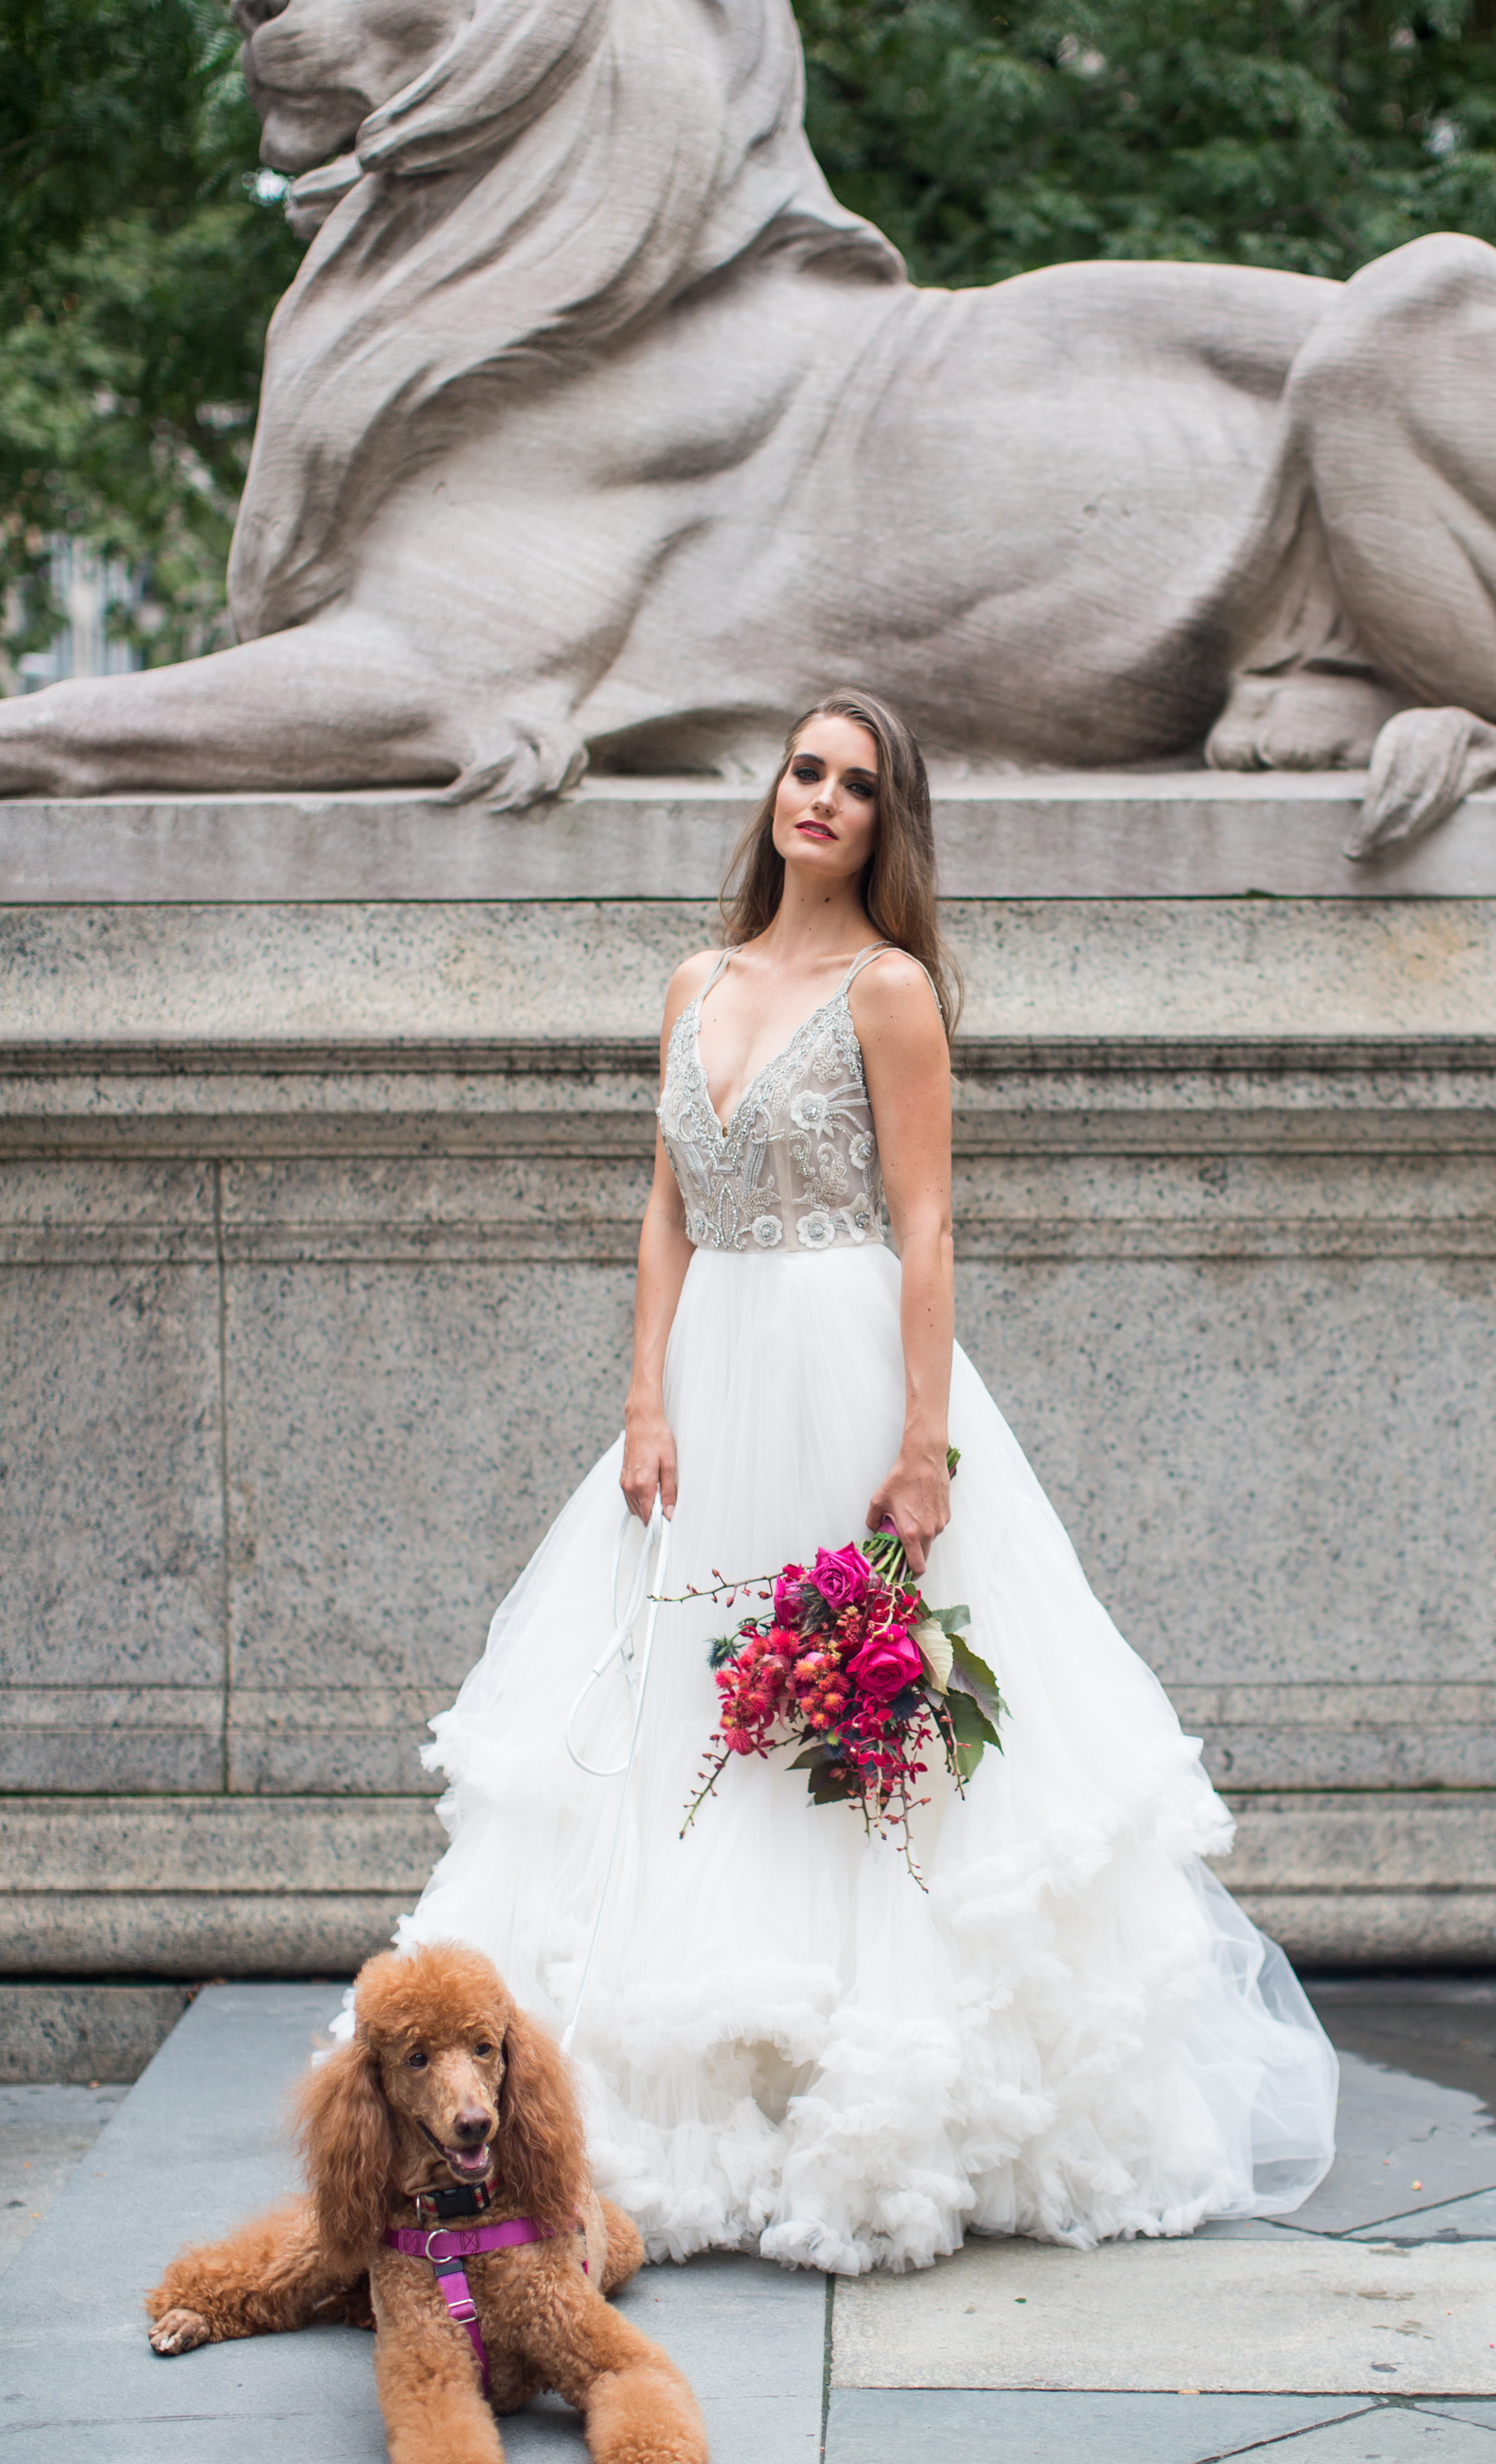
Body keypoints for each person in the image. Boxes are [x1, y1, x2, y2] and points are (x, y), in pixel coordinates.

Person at [396, 691, 1337, 2272]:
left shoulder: (891, 993)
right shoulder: (698, 980)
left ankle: (871, 2087)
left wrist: (917, 1443)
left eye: (856, 783)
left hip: (845, 1379)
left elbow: (927, 1225)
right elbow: (664, 1213)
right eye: (804, 771)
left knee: (855, 1730)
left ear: (887, 823)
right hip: (709, 1385)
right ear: (773, 794)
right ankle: (684, 2093)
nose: (821, 798)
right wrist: (643, 1396)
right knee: (687, 1720)